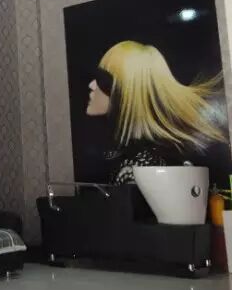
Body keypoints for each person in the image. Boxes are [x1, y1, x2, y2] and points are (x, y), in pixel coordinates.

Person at [86, 40, 227, 184]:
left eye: (103, 80)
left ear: (125, 93)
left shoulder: (136, 168)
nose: (92, 85)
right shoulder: (149, 156)